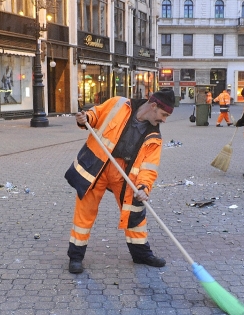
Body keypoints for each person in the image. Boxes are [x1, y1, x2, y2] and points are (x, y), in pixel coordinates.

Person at [64, 89, 175, 274]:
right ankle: (75, 256)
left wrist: (144, 187)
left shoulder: (154, 137)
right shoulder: (118, 104)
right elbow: (95, 115)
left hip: (124, 174)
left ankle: (141, 254)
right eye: (164, 114)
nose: (164, 120)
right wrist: (85, 119)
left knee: (135, 212)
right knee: (85, 211)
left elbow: (149, 167)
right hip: (97, 166)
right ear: (153, 106)